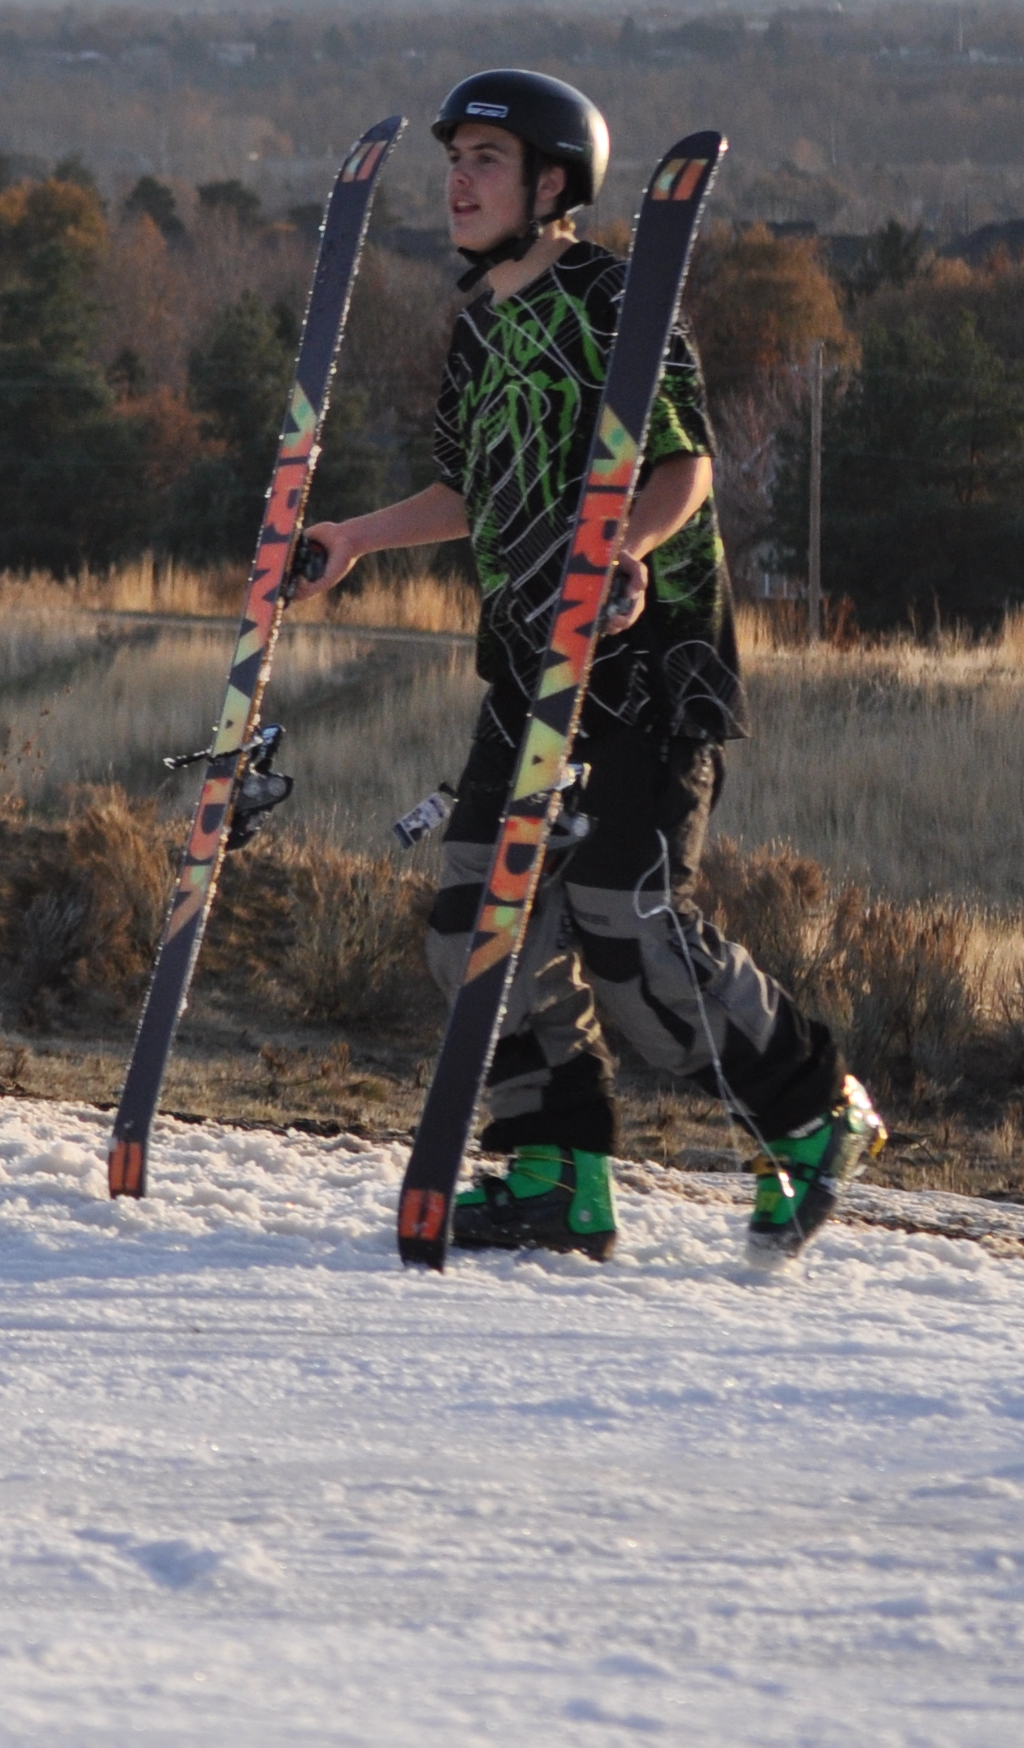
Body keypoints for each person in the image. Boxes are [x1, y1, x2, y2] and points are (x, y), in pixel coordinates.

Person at [283, 68, 880, 1256]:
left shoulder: (617, 297)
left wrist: (626, 555)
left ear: (553, 183)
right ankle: (557, 1172)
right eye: (452, 159)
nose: (456, 179)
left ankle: (814, 1114)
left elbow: (681, 465)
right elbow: (468, 488)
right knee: (471, 919)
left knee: (621, 913)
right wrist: (354, 536)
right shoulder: (479, 327)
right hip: (527, 665)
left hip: (650, 665)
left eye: (486, 161)